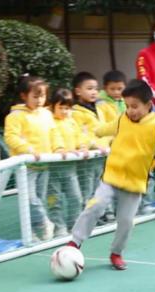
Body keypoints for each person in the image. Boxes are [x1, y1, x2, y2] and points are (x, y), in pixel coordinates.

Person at [67, 80, 155, 270]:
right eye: (127, 106)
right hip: (112, 176)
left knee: (126, 221)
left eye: (135, 106)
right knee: (96, 205)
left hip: (135, 182)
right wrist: (90, 132)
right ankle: (75, 242)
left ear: (148, 105)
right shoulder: (122, 119)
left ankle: (116, 253)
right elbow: (103, 129)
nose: (130, 111)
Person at [5, 75, 64, 241]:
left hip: (44, 164)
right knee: (30, 199)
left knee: (39, 198)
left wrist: (58, 147)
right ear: (24, 96)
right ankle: (44, 223)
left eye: (43, 96)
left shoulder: (46, 114)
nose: (40, 100)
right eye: (35, 96)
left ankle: (36, 230)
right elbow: (11, 137)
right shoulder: (15, 116)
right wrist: (28, 150)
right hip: (26, 167)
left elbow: (54, 132)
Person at [71, 71, 118, 223]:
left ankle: (106, 212)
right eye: (89, 88)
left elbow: (104, 129)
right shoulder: (75, 112)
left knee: (105, 185)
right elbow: (78, 134)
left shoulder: (99, 108)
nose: (94, 92)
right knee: (88, 188)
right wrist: (93, 145)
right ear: (78, 91)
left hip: (103, 155)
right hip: (88, 158)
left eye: (96, 89)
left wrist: (110, 141)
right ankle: (88, 217)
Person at [47, 89, 89, 237]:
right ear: (53, 106)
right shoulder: (48, 120)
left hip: (70, 167)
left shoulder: (71, 121)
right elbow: (52, 137)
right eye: (61, 107)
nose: (64, 111)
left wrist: (83, 145)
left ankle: (74, 225)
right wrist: (60, 149)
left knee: (75, 197)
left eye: (67, 108)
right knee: (54, 200)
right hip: (52, 168)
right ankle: (59, 228)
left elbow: (80, 136)